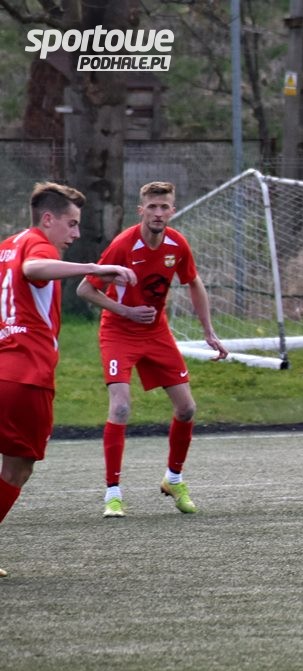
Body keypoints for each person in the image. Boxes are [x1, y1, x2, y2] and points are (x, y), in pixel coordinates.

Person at [1, 183, 137, 577]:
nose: (75, 234)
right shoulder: (37, 245)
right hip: (24, 376)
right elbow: (34, 269)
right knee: (17, 469)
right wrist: (95, 268)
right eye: (72, 224)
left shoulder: (7, 246)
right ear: (48, 219)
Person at [76, 181, 228, 519]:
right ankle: (113, 495)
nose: (158, 213)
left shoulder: (178, 244)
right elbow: (85, 289)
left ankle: (173, 480)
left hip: (156, 332)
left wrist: (208, 331)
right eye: (152, 207)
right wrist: (126, 311)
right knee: (120, 408)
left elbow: (193, 282)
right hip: (118, 331)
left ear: (173, 210)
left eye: (164, 207)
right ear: (141, 210)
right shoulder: (123, 245)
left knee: (187, 408)